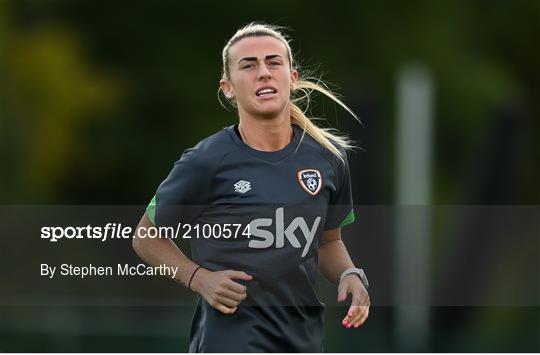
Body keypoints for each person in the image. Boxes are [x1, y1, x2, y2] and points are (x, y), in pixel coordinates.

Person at [132, 22, 370, 352]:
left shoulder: (329, 158)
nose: (264, 72)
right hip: (228, 342)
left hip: (302, 340)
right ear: (228, 88)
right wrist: (199, 278)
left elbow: (328, 242)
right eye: (248, 65)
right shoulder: (206, 161)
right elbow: (146, 237)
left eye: (274, 62)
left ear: (292, 77)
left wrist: (350, 275)